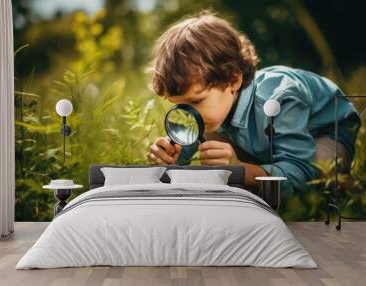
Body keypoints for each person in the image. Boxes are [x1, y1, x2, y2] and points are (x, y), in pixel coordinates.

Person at [147, 11, 360, 193]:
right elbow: (182, 152)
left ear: (233, 79)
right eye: (181, 105)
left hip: (325, 131)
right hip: (264, 136)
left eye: (196, 101)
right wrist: (170, 157)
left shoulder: (280, 99)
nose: (189, 113)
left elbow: (300, 171)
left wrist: (241, 169)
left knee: (317, 181)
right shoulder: (212, 106)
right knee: (218, 144)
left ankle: (348, 186)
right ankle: (262, 165)